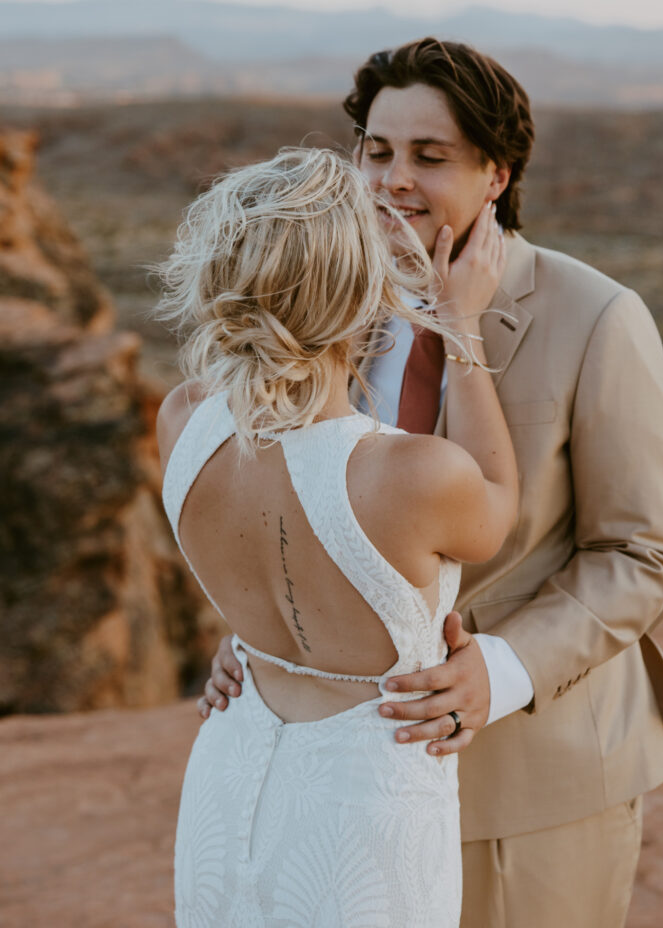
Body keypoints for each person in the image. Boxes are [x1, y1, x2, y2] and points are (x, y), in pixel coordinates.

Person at [202, 39, 663, 928]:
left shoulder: (596, 316)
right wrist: (258, 632)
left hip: (532, 782)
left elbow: (643, 552)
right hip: (351, 790)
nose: (393, 181)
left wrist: (499, 673)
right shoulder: (325, 308)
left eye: (429, 158)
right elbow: (294, 503)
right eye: (376, 151)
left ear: (495, 174)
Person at [156, 146, 519, 926]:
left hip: (229, 770)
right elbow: (498, 504)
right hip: (364, 808)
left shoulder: (182, 419)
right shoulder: (410, 476)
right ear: (366, 294)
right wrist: (460, 327)